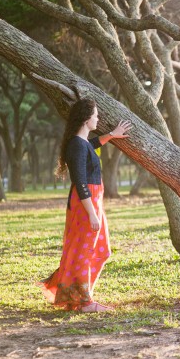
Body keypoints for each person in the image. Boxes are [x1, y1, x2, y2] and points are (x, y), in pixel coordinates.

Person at [40, 99, 132, 312]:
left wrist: (112, 134)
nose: (98, 118)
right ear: (86, 118)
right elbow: (80, 181)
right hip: (85, 203)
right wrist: (92, 214)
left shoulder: (81, 143)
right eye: (95, 115)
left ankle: (77, 295)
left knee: (101, 250)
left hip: (92, 200)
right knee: (86, 250)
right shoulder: (76, 145)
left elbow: (91, 145)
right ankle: (84, 302)